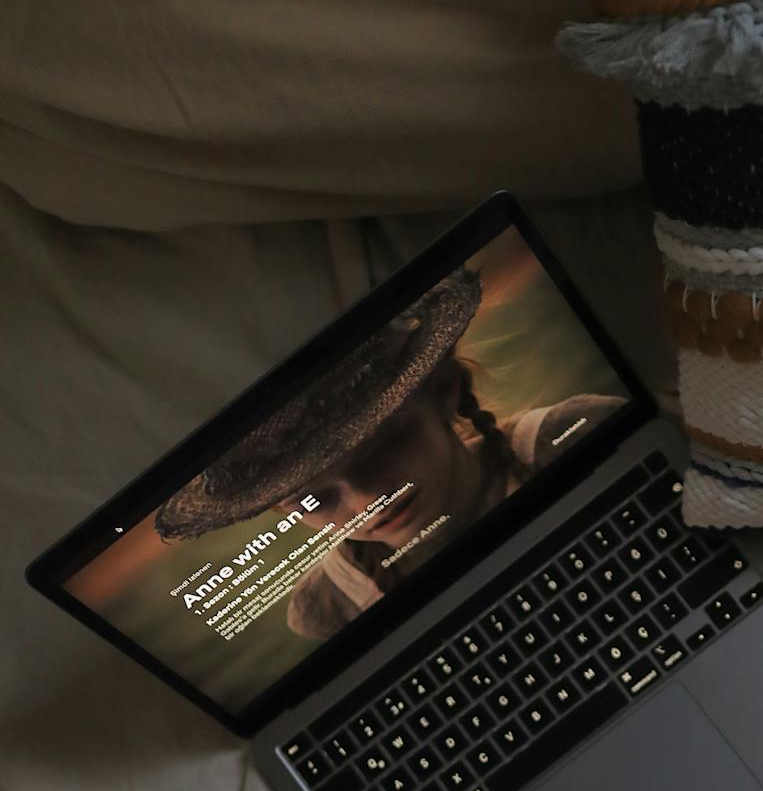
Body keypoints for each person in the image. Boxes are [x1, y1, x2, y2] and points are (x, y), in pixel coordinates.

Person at [155, 263, 621, 640]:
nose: (365, 505)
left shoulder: (574, 438)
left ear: (442, 391)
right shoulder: (331, 607)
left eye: (383, 449)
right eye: (314, 500)